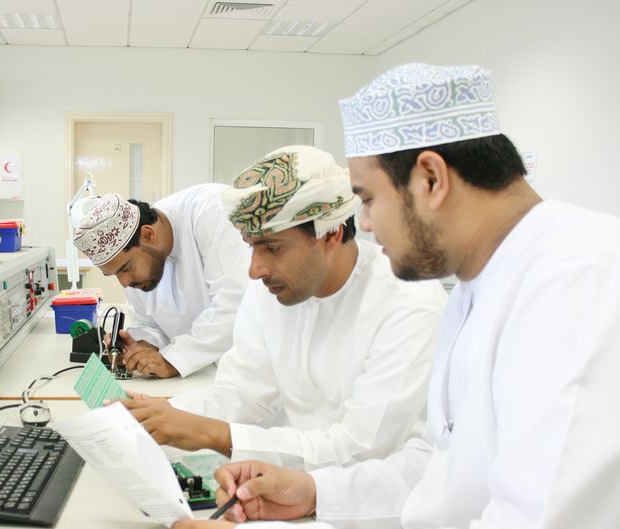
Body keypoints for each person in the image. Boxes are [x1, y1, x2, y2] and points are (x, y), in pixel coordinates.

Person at [169, 63, 620, 529]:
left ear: (430, 178)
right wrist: (316, 493)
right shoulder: (481, 285)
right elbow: (440, 467)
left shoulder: (588, 287)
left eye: (368, 200)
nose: (362, 225)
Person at [124, 145, 446, 469]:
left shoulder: (408, 303)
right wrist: (155, 416)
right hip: (295, 482)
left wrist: (216, 435)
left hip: (378, 493)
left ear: (330, 234)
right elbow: (242, 391)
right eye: (251, 247)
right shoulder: (270, 291)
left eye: (273, 248)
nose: (254, 270)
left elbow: (361, 447)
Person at [73, 185, 249, 378]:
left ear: (148, 235)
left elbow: (236, 303)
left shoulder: (211, 212)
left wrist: (174, 360)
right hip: (204, 377)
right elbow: (148, 323)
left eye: (125, 268)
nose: (123, 282)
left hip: (252, 370)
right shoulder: (138, 261)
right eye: (114, 274)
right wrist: (139, 347)